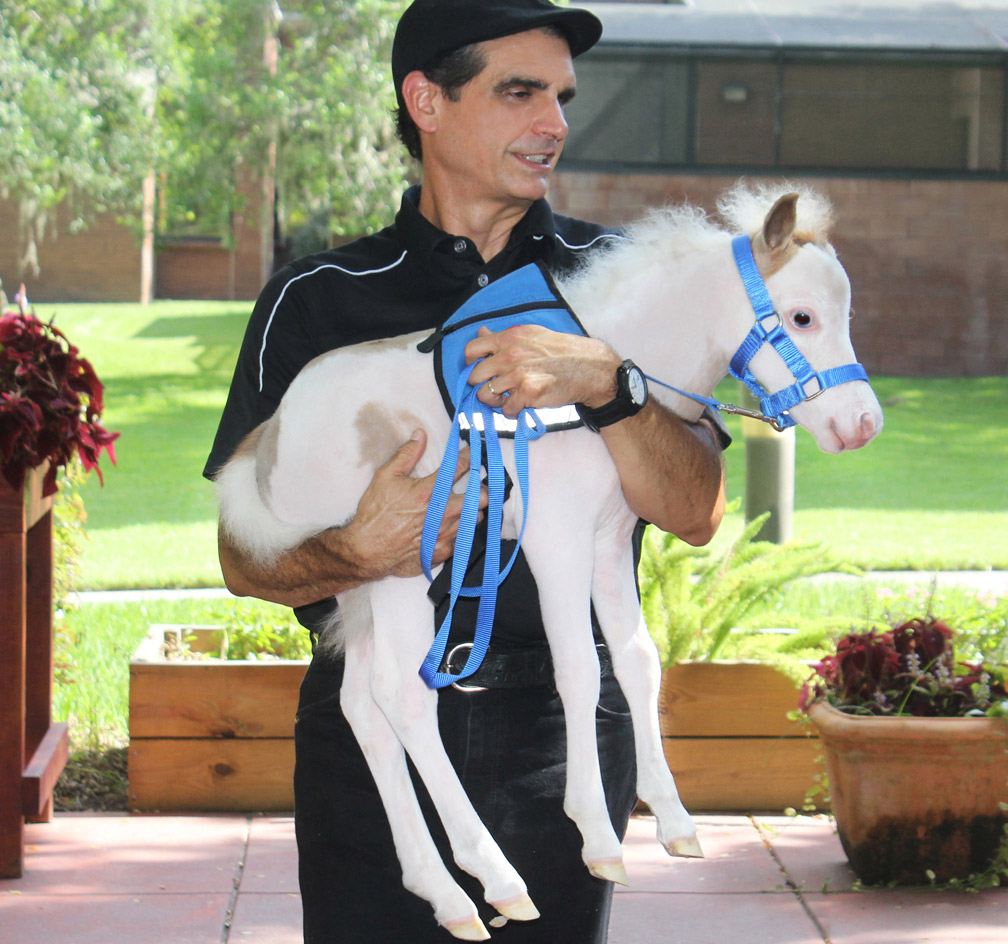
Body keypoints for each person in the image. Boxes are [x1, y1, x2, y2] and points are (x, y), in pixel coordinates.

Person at [204, 1, 728, 940]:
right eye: (519, 92)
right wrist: (354, 549)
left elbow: (694, 510)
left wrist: (612, 384)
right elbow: (245, 563)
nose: (555, 124)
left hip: (567, 728)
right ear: (426, 102)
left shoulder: (621, 280)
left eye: (563, 97)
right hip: (370, 735)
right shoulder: (316, 301)